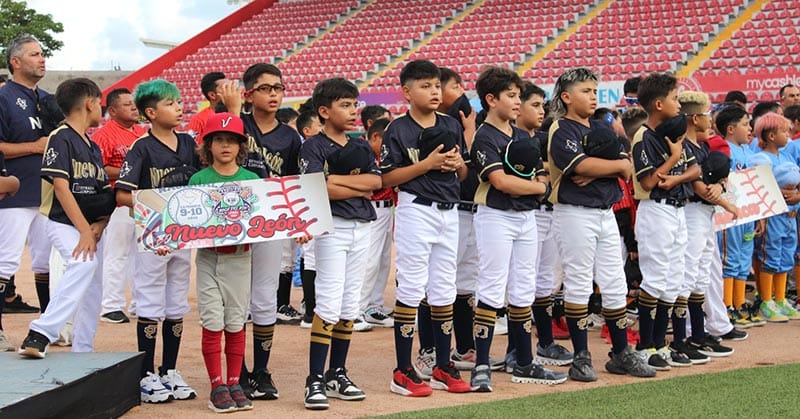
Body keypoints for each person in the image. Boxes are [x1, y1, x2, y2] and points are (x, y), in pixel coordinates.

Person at [548, 67, 654, 382]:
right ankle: (581, 356)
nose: (593, 96)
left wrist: (602, 168)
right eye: (585, 91)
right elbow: (578, 166)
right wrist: (609, 166)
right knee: (579, 283)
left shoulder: (600, 127)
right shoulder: (561, 128)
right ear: (566, 97)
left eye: (595, 91)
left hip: (605, 212)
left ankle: (621, 353)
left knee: (615, 283)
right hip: (573, 212)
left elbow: (625, 166)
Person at [467, 66, 567, 392]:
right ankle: (481, 365)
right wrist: (538, 188)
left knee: (523, 288)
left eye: (518, 95)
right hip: (495, 215)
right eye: (510, 95)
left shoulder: (523, 136)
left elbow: (539, 175)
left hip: (525, 217)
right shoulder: (484, 135)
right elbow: (501, 182)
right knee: (492, 288)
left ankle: (524, 361)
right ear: (490, 99)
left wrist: (536, 186)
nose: (516, 101)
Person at [381, 60, 470, 397]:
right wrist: (426, 164)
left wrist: (458, 165)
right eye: (425, 86)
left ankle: (442, 365)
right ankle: (402, 370)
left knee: (445, 288)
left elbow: (462, 174)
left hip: (449, 210)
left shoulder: (450, 124)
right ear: (406, 92)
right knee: (411, 287)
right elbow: (387, 178)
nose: (434, 91)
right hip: (416, 209)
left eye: (436, 85)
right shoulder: (397, 129)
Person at [220, 62, 303, 400]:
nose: (273, 94)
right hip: (233, 218)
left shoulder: (289, 136)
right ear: (249, 93)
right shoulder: (234, 121)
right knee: (235, 297)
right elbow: (222, 157)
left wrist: (299, 221)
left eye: (278, 88)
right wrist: (233, 112)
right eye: (266, 88)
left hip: (270, 220)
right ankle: (237, 369)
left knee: (266, 296)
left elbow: (294, 181)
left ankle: (262, 371)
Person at [116, 79, 200, 403]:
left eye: (178, 102)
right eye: (170, 103)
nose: (179, 107)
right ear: (150, 112)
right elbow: (123, 194)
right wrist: (159, 207)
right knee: (150, 301)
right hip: (153, 233)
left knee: (176, 301)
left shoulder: (189, 144)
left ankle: (169, 370)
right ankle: (146, 374)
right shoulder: (141, 147)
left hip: (182, 234)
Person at [299, 78, 381, 410]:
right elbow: (317, 188)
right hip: (331, 227)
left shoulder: (359, 144)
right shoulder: (313, 146)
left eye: (354, 105)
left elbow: (375, 182)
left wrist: (336, 180)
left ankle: (337, 373)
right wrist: (353, 186)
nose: (352, 111)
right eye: (344, 105)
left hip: (362, 225)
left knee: (350, 305)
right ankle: (314, 379)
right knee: (330, 302)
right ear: (324, 111)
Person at [18, 78, 113, 358]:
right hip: (61, 221)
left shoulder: (92, 146)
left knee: (93, 287)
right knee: (83, 263)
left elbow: (103, 193)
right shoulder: (61, 137)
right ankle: (40, 332)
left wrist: (100, 224)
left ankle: (83, 349)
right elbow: (60, 187)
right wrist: (84, 231)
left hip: (91, 225)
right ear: (89, 103)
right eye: (99, 103)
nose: (101, 109)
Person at [631, 73, 700, 370]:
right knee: (656, 278)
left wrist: (675, 175)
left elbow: (695, 169)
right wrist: (673, 159)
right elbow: (648, 182)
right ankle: (645, 345)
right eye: (674, 98)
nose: (678, 103)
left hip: (677, 209)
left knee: (673, 280)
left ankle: (660, 343)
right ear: (658, 104)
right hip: (655, 210)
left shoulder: (673, 132)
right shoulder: (644, 135)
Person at [189, 112, 258, 413]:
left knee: (235, 321)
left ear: (241, 146)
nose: (226, 146)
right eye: (218, 140)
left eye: (232, 140)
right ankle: (216, 385)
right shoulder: (199, 179)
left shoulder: (252, 180)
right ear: (208, 145)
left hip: (240, 257)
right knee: (213, 320)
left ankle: (234, 382)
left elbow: (264, 218)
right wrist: (167, 240)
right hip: (208, 256)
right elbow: (186, 221)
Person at [509, 81, 573, 367]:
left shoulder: (548, 136)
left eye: (542, 105)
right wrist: (546, 170)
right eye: (534, 105)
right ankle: (515, 348)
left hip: (550, 211)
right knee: (522, 280)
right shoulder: (510, 137)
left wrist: (544, 170)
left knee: (546, 280)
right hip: (527, 213)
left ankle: (545, 342)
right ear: (518, 106)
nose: (541, 110)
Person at [0, 35, 59, 350]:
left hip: (49, 192)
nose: (42, 59)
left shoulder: (49, 100)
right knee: (5, 262)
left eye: (42, 54)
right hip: (14, 193)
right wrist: (34, 147)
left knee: (46, 262)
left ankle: (46, 328)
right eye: (35, 54)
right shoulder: (4, 97)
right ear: (16, 62)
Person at [673, 91, 735, 360]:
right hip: (691, 211)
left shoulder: (700, 146)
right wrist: (727, 203)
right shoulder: (684, 147)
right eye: (707, 114)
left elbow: (714, 182)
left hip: (704, 213)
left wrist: (720, 185)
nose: (710, 119)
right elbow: (700, 188)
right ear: (695, 118)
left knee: (700, 274)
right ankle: (685, 334)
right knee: (689, 273)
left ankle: (698, 333)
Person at [94, 88, 147, 324]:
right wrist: (132, 172)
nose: (133, 107)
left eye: (134, 103)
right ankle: (111, 306)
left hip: (142, 200)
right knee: (117, 254)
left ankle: (139, 303)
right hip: (118, 201)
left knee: (141, 255)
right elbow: (99, 169)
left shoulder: (142, 132)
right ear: (113, 110)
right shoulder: (104, 135)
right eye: (127, 104)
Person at [713, 105, 760, 327]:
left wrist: (760, 215)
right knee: (729, 259)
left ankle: (739, 304)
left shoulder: (748, 152)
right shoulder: (724, 150)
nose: (749, 128)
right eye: (745, 124)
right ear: (730, 129)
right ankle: (726, 306)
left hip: (748, 214)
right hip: (728, 214)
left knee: (743, 258)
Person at [751, 113, 800, 321]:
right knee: (770, 255)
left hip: (791, 215)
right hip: (773, 216)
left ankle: (780, 299)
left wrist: (797, 194)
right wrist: (782, 193)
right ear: (771, 135)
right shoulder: (760, 158)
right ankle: (766, 300)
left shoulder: (787, 157)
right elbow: (761, 186)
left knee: (786, 255)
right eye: (783, 131)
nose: (788, 135)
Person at [358, 117, 395, 328]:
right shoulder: (362, 152)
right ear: (375, 137)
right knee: (368, 261)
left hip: (387, 209)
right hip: (371, 207)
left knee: (383, 260)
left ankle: (374, 306)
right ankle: (357, 309)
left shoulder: (386, 154)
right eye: (386, 140)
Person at [187, 72, 226, 142]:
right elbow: (192, 146)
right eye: (226, 88)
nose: (232, 91)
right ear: (212, 95)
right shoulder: (199, 120)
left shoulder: (241, 115)